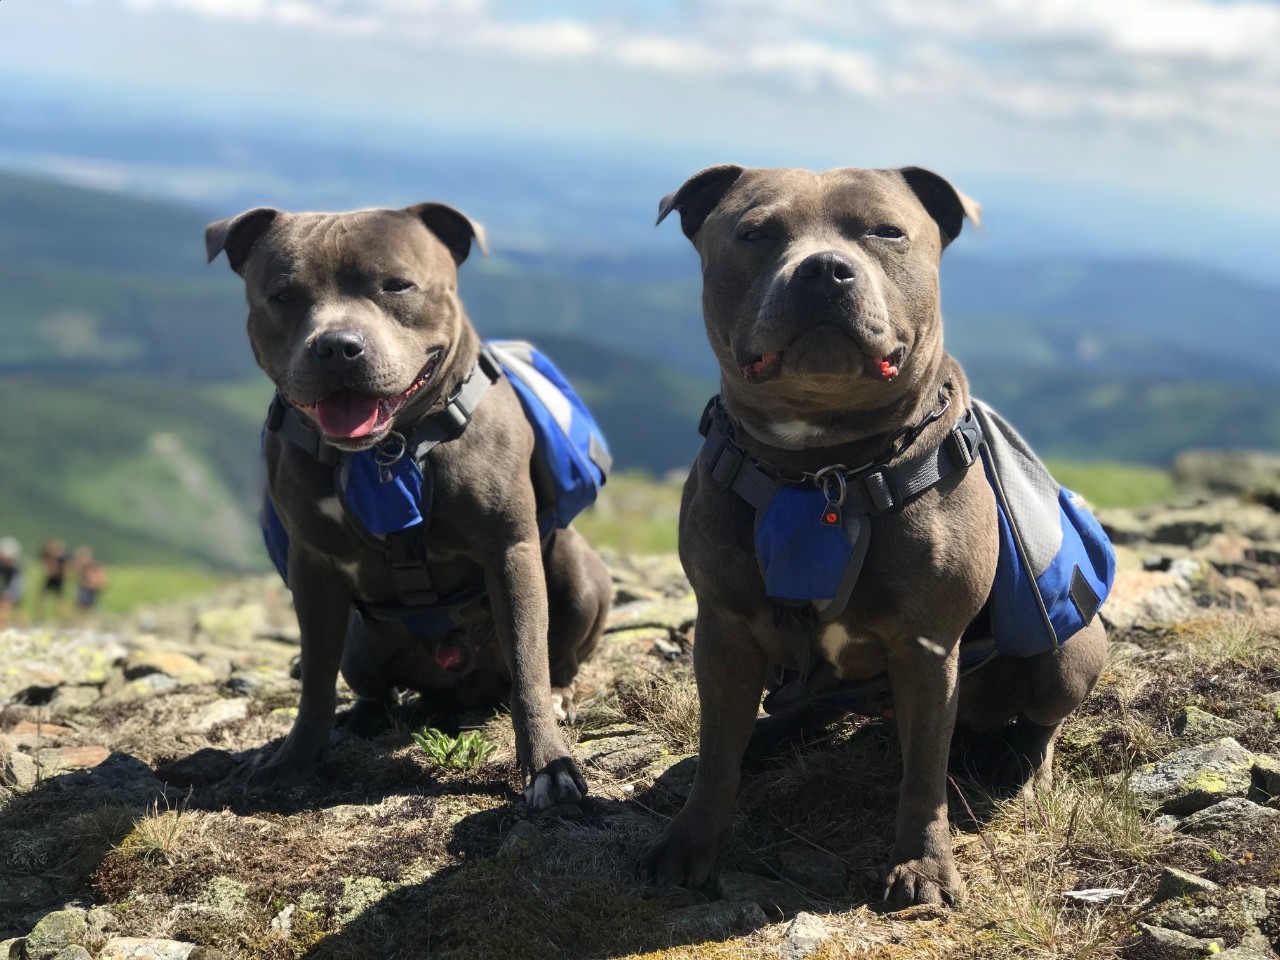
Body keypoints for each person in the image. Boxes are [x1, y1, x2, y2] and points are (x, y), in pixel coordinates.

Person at [33, 538, 69, 622]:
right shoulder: (48, 556)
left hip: (58, 580)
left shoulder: (61, 558)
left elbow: (65, 569)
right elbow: (44, 564)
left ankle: (62, 618)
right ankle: (39, 616)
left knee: (59, 600)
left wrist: (57, 571)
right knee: (42, 597)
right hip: (50, 579)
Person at [72, 545, 108, 620]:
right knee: (82, 605)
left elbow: (101, 574)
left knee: (89, 605)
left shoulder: (93, 565)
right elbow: (75, 575)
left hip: (90, 587)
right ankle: (83, 620)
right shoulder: (82, 566)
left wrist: (100, 583)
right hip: (84, 587)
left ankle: (91, 620)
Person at [0, 537, 25, 629]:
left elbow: (17, 588)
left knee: (10, 606)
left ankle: (16, 626)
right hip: (5, 590)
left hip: (12, 592)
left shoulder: (16, 571)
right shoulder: (2, 567)